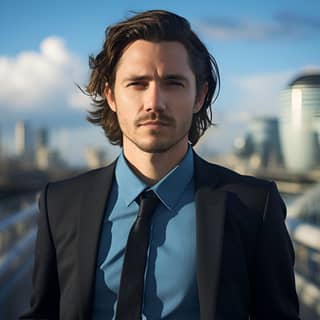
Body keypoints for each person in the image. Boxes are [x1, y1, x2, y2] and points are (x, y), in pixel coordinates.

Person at [21, 9, 300, 320]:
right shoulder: (60, 203)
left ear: (199, 96)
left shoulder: (253, 206)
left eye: (173, 83)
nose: (155, 102)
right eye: (138, 83)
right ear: (111, 96)